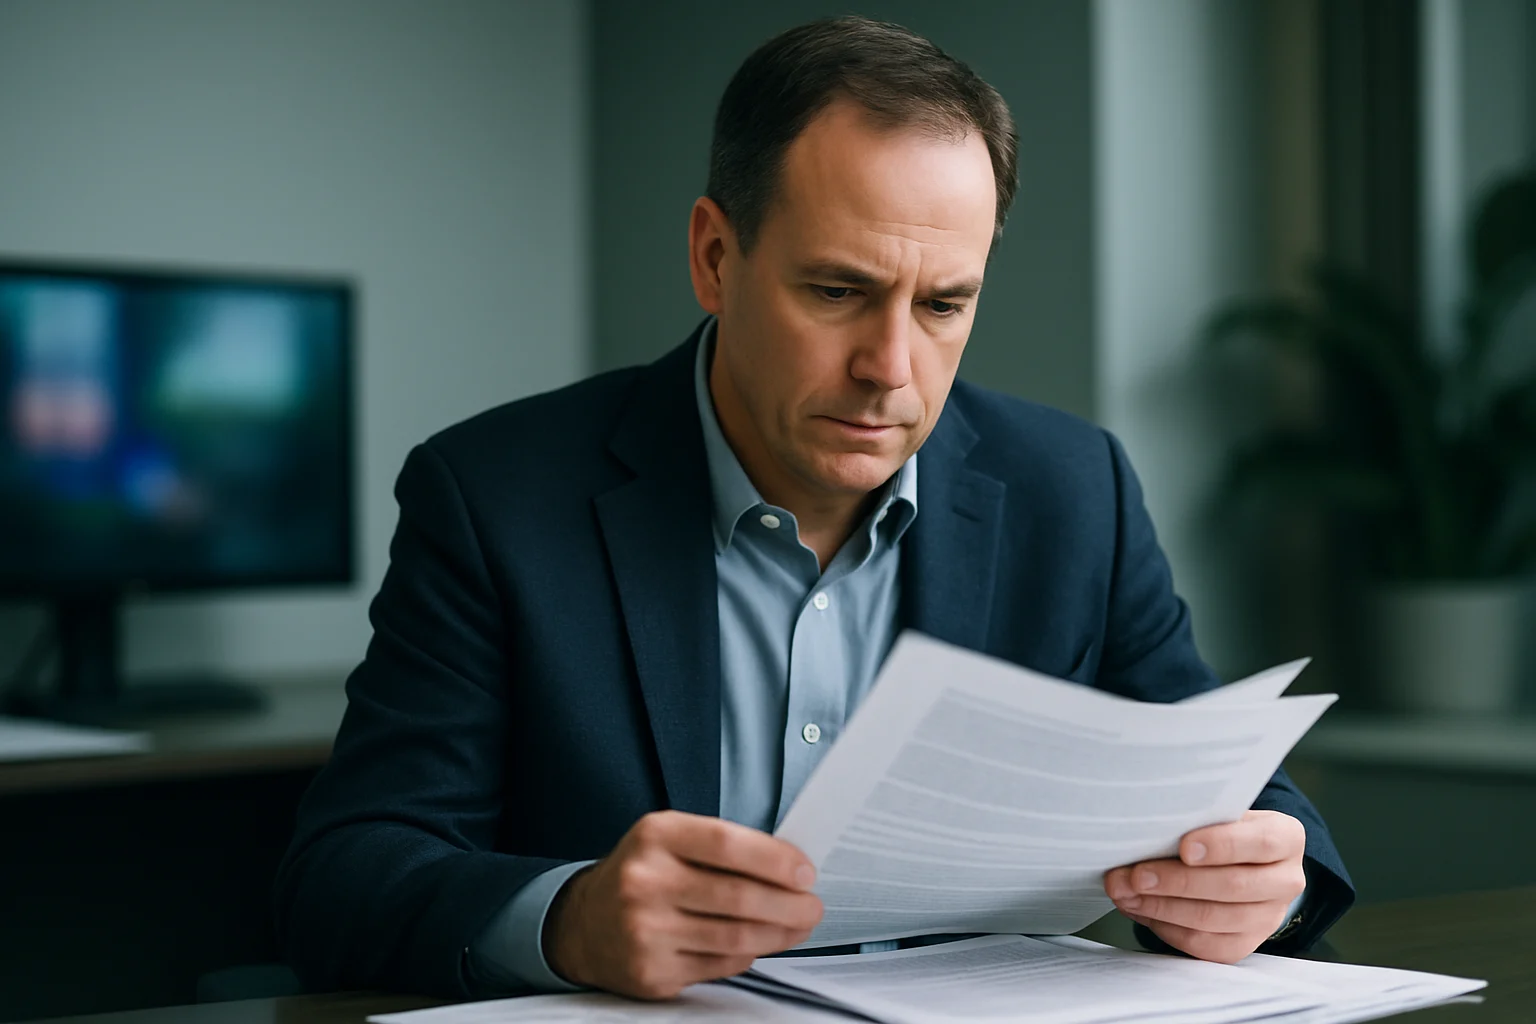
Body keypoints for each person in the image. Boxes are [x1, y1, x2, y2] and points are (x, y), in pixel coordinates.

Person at [275, 15, 1354, 1003]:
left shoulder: (1073, 490)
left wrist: (1263, 878)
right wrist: (566, 920)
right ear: (714, 256)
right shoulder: (496, 497)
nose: (891, 367)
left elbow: (1237, 789)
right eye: (837, 291)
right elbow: (350, 870)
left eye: (943, 304)